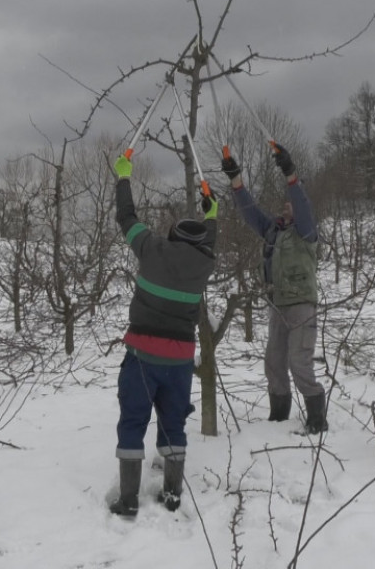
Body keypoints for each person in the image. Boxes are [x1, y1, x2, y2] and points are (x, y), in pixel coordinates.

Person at [108, 154, 218, 517]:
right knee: (173, 424)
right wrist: (212, 212)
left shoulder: (151, 248)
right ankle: (172, 494)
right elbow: (209, 238)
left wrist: (124, 177)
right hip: (180, 363)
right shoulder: (205, 264)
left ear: (172, 236)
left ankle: (128, 500)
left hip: (142, 357)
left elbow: (127, 218)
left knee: (132, 421)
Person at [222, 145, 328, 435]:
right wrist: (236, 181)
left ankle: (317, 418)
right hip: (277, 305)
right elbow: (249, 212)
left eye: (291, 203)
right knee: (274, 363)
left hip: (302, 306)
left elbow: (302, 202)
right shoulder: (273, 230)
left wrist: (290, 173)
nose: (286, 206)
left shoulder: (306, 231)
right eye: (285, 203)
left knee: (299, 361)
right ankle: (279, 417)